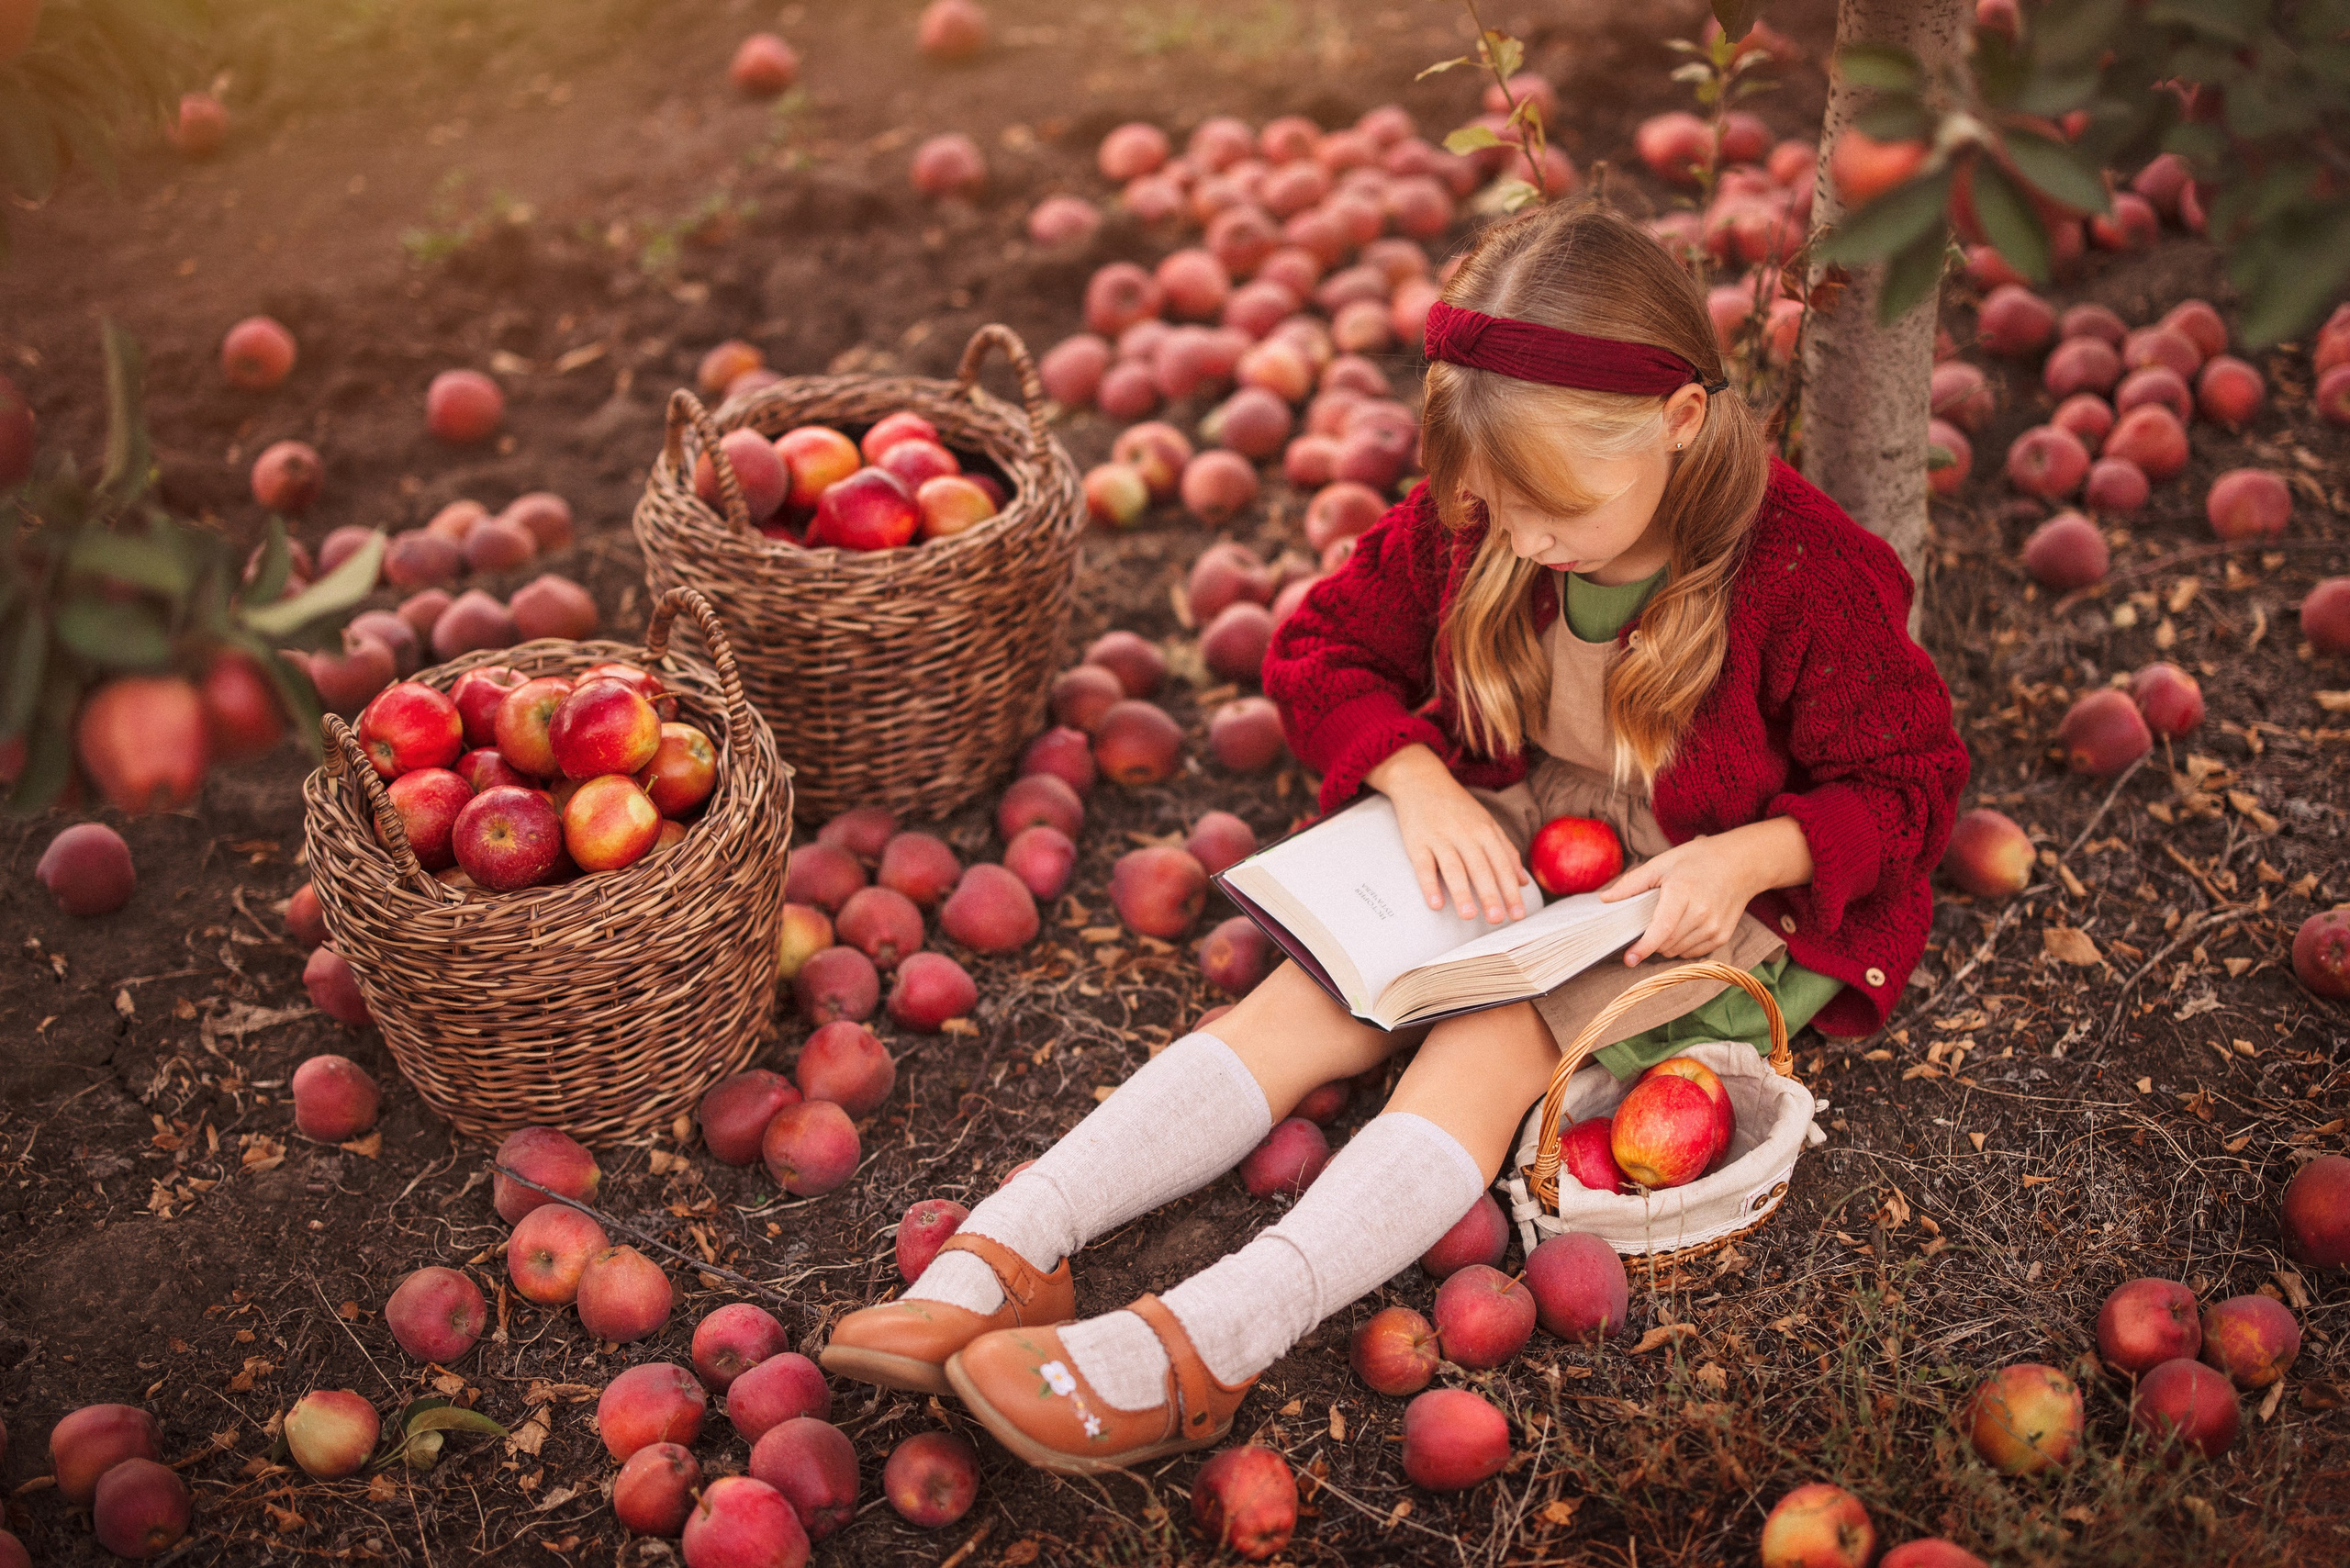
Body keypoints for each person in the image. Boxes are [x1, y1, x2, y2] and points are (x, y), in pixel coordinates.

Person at [819, 199, 1969, 1473]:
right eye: (1500, 510)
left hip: (1684, 884)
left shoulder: (1798, 574)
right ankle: (1014, 1244)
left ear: (1679, 424)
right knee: (1298, 1004)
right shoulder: (1480, 523)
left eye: (1557, 515)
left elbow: (1911, 780)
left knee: (1482, 1046)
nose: (1523, 542)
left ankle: (1214, 1341)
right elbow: (1316, 646)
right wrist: (1416, 779)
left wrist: (1752, 856)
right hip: (1505, 826)